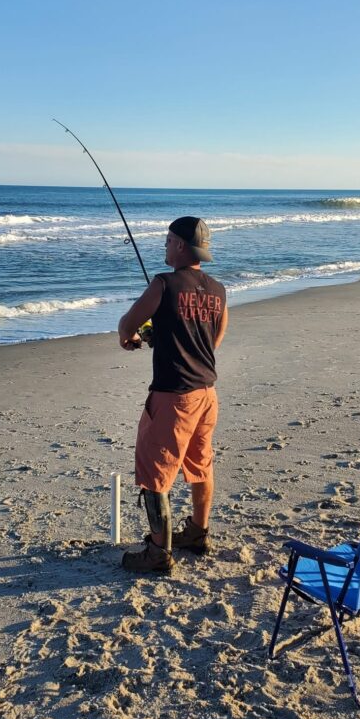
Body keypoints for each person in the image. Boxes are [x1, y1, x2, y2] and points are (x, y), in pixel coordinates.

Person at [118, 216, 228, 573]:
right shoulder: (218, 290)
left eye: (167, 241)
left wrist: (133, 339)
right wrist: (161, 338)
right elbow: (212, 341)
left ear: (181, 245)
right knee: (200, 463)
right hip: (206, 392)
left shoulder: (163, 284)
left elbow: (126, 325)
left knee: (154, 471)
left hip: (173, 396)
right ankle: (198, 532)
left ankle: (158, 553)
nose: (164, 246)